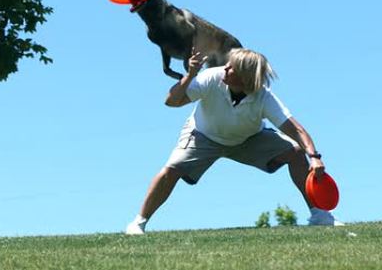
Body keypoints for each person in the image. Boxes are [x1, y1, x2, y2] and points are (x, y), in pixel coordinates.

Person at [125, 48, 343, 235]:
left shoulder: (263, 97)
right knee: (170, 170)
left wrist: (314, 157)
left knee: (296, 152)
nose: (225, 69)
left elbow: (295, 129)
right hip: (203, 137)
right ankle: (138, 223)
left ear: (245, 77)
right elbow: (171, 101)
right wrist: (190, 75)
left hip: (248, 139)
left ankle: (320, 215)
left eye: (232, 68)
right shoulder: (212, 77)